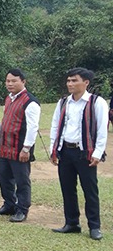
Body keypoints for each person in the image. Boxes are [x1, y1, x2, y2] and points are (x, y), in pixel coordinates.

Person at [49, 67, 109, 240]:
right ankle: (72, 222)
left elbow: (101, 129)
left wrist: (98, 152)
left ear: (86, 82)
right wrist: (55, 149)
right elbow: (55, 126)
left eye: (74, 80)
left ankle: (94, 226)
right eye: (68, 80)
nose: (70, 84)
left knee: (90, 190)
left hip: (85, 152)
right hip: (66, 150)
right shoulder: (63, 102)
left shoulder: (96, 102)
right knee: (67, 188)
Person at [0, 69, 41, 222]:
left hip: (19, 147)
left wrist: (26, 148)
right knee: (4, 177)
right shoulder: (9, 98)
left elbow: (33, 127)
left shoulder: (30, 102)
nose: (10, 84)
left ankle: (22, 209)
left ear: (23, 81)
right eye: (8, 81)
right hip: (5, 146)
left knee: (21, 180)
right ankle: (9, 205)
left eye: (14, 81)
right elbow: (6, 121)